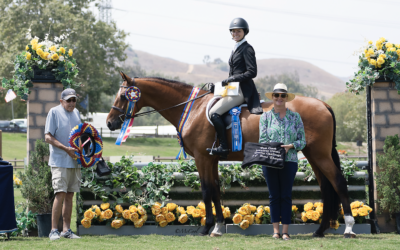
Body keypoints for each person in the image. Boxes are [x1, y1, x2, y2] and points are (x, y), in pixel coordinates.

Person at [207, 17, 263, 158]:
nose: (235, 33)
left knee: (214, 112)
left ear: (244, 32)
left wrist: (232, 78)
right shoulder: (236, 48)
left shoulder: (247, 48)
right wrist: (219, 86)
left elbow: (252, 72)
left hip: (242, 91)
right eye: (233, 31)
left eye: (238, 31)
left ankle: (224, 147)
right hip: (232, 87)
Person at [259, 83, 306, 240]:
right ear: (272, 97)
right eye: (276, 95)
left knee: (286, 195)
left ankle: (285, 231)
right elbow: (263, 140)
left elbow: (303, 141)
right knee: (273, 196)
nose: (279, 98)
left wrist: (291, 146)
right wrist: (277, 148)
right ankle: (275, 231)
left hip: (290, 160)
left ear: (286, 98)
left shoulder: (295, 117)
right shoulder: (265, 117)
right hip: (270, 161)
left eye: (282, 95)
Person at [44, 88, 81, 240]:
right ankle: (53, 230)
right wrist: (66, 149)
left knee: (70, 195)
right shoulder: (54, 112)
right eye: (69, 100)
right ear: (61, 101)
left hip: (75, 161)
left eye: (74, 100)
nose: (72, 103)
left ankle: (66, 230)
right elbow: (47, 137)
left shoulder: (77, 113)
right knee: (60, 193)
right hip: (59, 160)